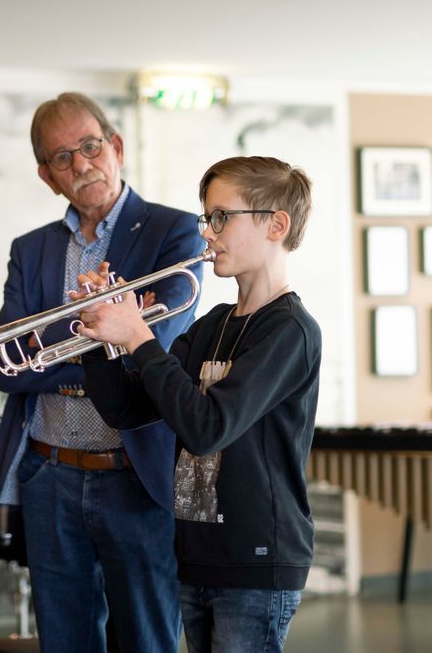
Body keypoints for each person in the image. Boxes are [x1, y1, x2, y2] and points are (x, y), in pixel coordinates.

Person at [0, 92, 204, 652]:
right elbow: (9, 365)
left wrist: (56, 341)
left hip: (135, 472)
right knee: (64, 642)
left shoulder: (172, 232)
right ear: (46, 176)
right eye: (63, 157)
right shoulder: (29, 250)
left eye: (90, 146)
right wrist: (102, 340)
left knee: (147, 641)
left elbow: (162, 340)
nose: (81, 164)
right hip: (48, 474)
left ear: (116, 147)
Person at [74, 156, 321, 653]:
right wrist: (102, 340)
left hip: (256, 561)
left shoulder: (290, 330)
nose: (208, 233)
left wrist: (140, 337)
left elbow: (208, 427)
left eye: (221, 217)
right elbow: (128, 409)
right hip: (196, 555)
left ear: (276, 224)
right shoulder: (211, 324)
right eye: (206, 218)